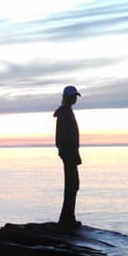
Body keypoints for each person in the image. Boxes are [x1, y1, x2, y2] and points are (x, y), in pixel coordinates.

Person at [54, 85, 82, 226]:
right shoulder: (65, 113)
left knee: (73, 185)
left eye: (75, 97)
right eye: (73, 97)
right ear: (67, 97)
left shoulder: (67, 111)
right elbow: (62, 137)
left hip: (70, 153)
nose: (75, 99)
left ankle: (68, 217)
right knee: (72, 185)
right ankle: (67, 218)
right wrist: (68, 152)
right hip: (69, 153)